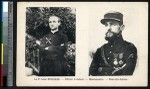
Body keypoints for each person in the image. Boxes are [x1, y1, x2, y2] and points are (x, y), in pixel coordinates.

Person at [89, 11, 137, 76]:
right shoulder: (100, 50)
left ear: (122, 27)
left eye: (113, 24)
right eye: (106, 25)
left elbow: (126, 74)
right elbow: (92, 73)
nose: (108, 28)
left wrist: (101, 69)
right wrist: (113, 70)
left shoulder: (129, 48)